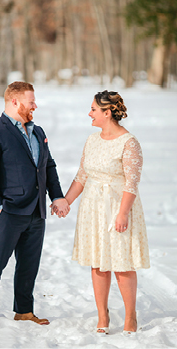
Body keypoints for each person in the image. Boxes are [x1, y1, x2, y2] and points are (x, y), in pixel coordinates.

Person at [0, 81, 70, 325]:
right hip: (9, 210)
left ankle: (24, 311)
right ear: (14, 101)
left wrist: (56, 196)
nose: (35, 106)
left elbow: (48, 166)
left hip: (36, 210)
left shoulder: (38, 132)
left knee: (29, 264)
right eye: (31, 101)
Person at [60, 90, 149, 334]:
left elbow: (132, 182)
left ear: (107, 113)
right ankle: (103, 315)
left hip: (118, 206)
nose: (89, 113)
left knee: (122, 263)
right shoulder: (92, 140)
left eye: (93, 109)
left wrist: (122, 213)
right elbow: (82, 176)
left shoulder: (129, 143)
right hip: (92, 207)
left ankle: (130, 317)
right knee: (98, 262)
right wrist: (66, 201)